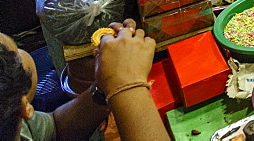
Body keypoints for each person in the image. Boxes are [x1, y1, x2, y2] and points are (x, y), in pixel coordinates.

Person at [1, 20, 168, 141]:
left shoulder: (11, 122)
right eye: (16, 53)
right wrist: (127, 86)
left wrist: (105, 86)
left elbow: (53, 130)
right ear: (25, 106)